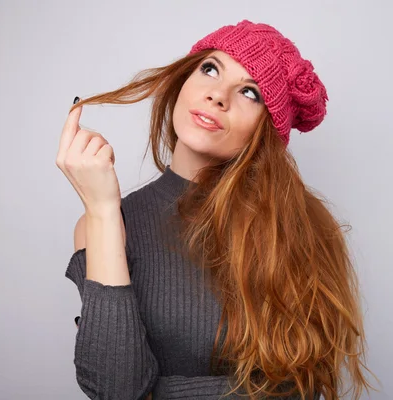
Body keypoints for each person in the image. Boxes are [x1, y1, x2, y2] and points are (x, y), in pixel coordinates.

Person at [56, 19, 375, 400]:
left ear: (268, 129)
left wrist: (165, 391)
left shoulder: (299, 227)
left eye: (250, 93)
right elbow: (116, 389)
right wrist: (104, 211)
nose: (218, 96)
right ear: (184, 79)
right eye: (211, 69)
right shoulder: (104, 223)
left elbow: (296, 385)